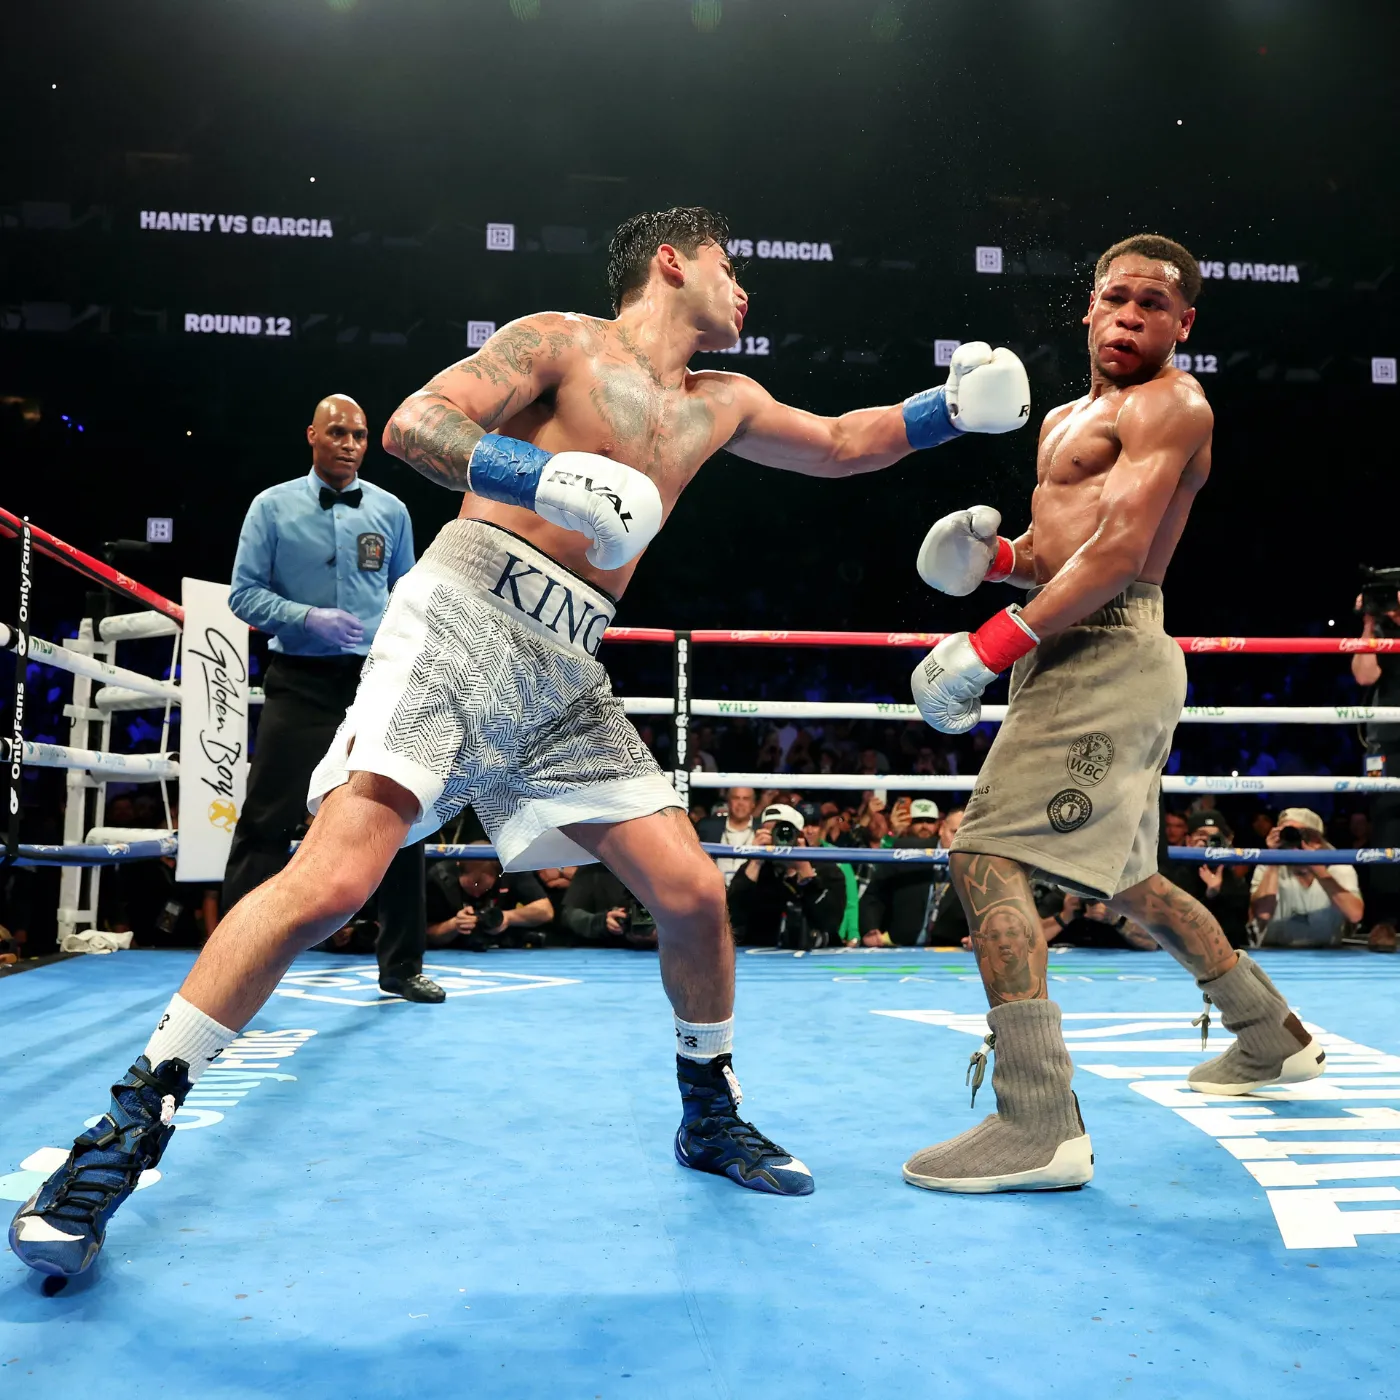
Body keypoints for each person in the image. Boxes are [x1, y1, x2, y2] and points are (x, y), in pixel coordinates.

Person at [11, 205, 1033, 1277]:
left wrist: (946, 411)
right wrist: (538, 476)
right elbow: (415, 424)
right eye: (732, 268)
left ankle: (707, 1111)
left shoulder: (722, 402)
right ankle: (122, 1132)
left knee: (689, 892)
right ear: (671, 262)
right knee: (332, 879)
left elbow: (834, 444)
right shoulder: (560, 342)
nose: (746, 293)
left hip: (568, 672)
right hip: (460, 618)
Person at [901, 233, 1326, 1196]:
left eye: (1153, 303)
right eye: (1115, 298)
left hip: (1111, 648)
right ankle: (1272, 1037)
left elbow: (1122, 553)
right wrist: (1002, 563)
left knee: (984, 854)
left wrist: (987, 642)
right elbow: (1067, 553)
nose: (1130, 315)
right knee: (1132, 880)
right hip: (1071, 645)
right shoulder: (1061, 418)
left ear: (1183, 323)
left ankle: (1038, 1121)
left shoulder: (1174, 403)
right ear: (1087, 308)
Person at [220, 393, 442, 1006]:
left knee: (400, 815)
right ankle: (233, 958)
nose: (349, 443)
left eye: (360, 435)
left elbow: (406, 592)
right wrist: (304, 617)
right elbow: (243, 595)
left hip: (377, 681)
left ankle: (401, 965)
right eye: (338, 432)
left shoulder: (392, 511)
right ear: (313, 435)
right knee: (267, 818)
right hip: (300, 678)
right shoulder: (271, 507)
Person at [727, 804, 847, 948]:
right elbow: (731, 917)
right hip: (761, 956)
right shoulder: (753, 870)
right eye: (770, 833)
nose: (778, 839)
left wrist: (805, 871)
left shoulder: (827, 869)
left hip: (814, 957)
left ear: (800, 836)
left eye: (784, 832)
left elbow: (831, 922)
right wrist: (755, 861)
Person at [1352, 587, 1400, 947]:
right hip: (1388, 739)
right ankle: (1385, 920)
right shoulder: (1381, 631)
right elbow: (1364, 675)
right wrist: (1370, 622)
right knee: (1386, 824)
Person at [1250, 808, 1364, 948]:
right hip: (1276, 951)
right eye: (1288, 833)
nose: (1296, 840)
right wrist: (1274, 857)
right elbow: (1263, 914)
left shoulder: (1339, 867)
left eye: (1303, 834)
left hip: (1327, 955)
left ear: (1317, 840)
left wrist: (1314, 864)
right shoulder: (1268, 867)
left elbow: (1355, 914)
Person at [425, 845, 553, 950]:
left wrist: (508, 917)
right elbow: (423, 934)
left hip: (501, 949)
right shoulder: (438, 879)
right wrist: (453, 925)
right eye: (470, 887)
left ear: (497, 875)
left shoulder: (510, 871)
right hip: (449, 950)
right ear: (459, 871)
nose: (476, 895)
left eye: (483, 888)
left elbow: (545, 911)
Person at [1161, 810, 1252, 949]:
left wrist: (1215, 896)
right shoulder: (1175, 876)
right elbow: (1178, 926)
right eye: (1202, 836)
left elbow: (1236, 930)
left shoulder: (1233, 879)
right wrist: (1208, 895)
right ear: (1189, 841)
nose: (1209, 842)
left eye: (1214, 837)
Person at [859, 799, 944, 946]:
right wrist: (871, 928)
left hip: (944, 942)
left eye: (929, 821)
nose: (924, 826)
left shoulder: (949, 855)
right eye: (919, 821)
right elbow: (875, 893)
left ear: (938, 826)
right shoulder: (898, 849)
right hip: (897, 939)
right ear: (909, 823)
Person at [695, 786, 758, 886]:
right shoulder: (708, 827)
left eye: (746, 799)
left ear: (753, 804)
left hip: (751, 893)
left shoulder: (761, 829)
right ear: (728, 802)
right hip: (714, 891)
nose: (740, 803)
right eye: (736, 798)